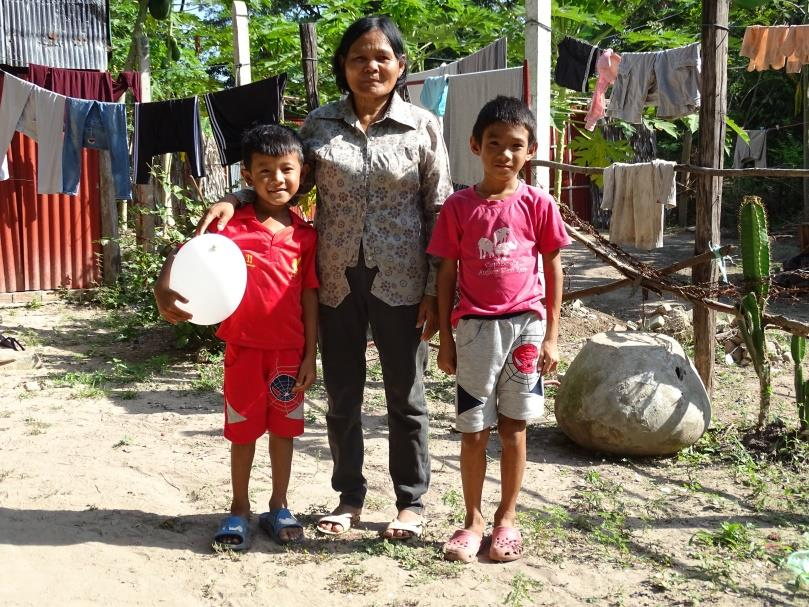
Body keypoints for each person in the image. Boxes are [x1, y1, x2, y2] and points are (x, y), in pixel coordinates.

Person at [196, 15, 453, 540]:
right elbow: (281, 175)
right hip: (332, 277)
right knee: (342, 393)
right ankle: (349, 497)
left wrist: (432, 289)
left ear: (401, 65)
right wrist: (234, 197)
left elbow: (439, 208)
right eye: (359, 58)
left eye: (382, 57)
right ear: (342, 66)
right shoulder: (319, 125)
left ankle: (410, 501)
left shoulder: (423, 126)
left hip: (403, 280)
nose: (371, 67)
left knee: (406, 393)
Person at [154, 124, 319, 551]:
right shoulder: (230, 226)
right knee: (243, 433)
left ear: (302, 172)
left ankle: (279, 505)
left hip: (289, 354)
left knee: (284, 432)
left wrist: (310, 354)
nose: (276, 179)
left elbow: (309, 297)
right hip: (243, 351)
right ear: (246, 177)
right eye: (264, 170)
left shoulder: (306, 236)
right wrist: (163, 285)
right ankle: (239, 508)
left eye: (286, 169)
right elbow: (188, 256)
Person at [427, 96, 570, 563]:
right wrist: (446, 340)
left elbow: (553, 269)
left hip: (526, 329)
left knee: (514, 427)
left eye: (515, 145)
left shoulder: (538, 203)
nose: (504, 154)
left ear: (530, 151)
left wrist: (550, 334)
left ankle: (507, 518)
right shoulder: (458, 207)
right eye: (494, 143)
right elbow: (446, 274)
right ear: (475, 145)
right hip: (473, 334)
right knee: (473, 431)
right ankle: (471, 520)